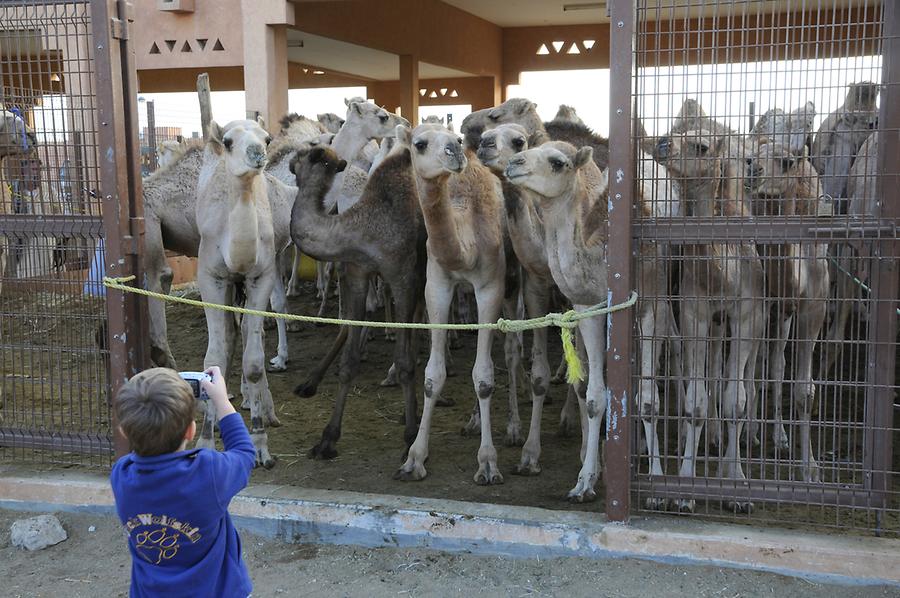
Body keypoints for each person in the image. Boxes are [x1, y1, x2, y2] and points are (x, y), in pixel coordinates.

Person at [110, 366, 255, 598]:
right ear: (190, 431)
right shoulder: (207, 472)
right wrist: (221, 401)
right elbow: (245, 454)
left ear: (124, 432)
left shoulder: (122, 475)